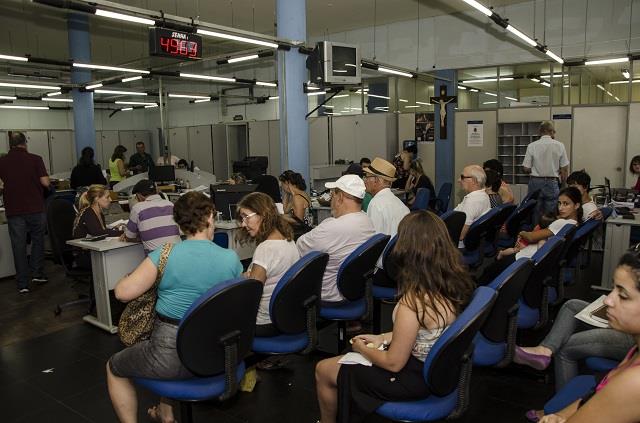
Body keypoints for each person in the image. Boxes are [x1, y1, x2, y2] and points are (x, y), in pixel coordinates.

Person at [314, 210, 475, 423]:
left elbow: (393, 363)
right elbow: (426, 331)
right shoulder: (451, 283)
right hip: (435, 372)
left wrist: (361, 348)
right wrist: (383, 338)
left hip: (411, 378)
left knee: (323, 370)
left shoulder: (414, 300)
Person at [106, 191, 243, 423]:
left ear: (180, 224)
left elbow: (122, 293)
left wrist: (127, 277)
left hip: (170, 356)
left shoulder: (164, 255)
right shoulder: (230, 258)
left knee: (114, 366)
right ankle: (165, 413)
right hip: (217, 353)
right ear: (210, 217)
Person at [525, 251, 640, 423]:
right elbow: (597, 394)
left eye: (623, 295)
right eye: (613, 289)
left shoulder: (634, 383)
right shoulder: (635, 350)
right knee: (572, 306)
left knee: (567, 347)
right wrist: (562, 415)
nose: (608, 300)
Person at [477, 187, 582, 285]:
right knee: (492, 271)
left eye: (566, 204)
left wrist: (521, 233)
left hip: (524, 258)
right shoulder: (574, 223)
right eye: (559, 203)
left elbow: (531, 237)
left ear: (576, 205)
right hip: (530, 257)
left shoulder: (561, 223)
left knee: (488, 273)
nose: (561, 208)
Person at [297, 175, 375, 303]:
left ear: (340, 197)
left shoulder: (331, 227)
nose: (331, 200)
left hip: (329, 293)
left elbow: (300, 246)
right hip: (355, 289)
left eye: (332, 195)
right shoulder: (367, 220)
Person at [236, 192, 299, 334]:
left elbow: (252, 293)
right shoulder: (288, 240)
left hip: (263, 322)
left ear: (263, 214)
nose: (243, 224)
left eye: (246, 216)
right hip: (283, 316)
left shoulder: (265, 249)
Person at [0, 131, 50, 293]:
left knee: (18, 245)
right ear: (25, 143)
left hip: (14, 210)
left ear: (10, 145)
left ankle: (22, 283)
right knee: (38, 241)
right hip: (35, 207)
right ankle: (38, 273)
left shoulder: (2, 162)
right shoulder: (35, 159)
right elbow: (45, 182)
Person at [522, 121, 570, 216]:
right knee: (551, 213)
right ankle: (549, 229)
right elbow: (564, 169)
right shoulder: (560, 145)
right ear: (551, 131)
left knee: (535, 211)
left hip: (535, 183)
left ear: (540, 132)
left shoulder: (532, 146)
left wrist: (536, 169)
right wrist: (564, 185)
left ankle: (535, 230)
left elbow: (526, 168)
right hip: (552, 183)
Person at [121, 180, 181, 254]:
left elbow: (129, 237)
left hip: (157, 258)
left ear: (139, 195)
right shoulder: (170, 204)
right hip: (178, 253)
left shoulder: (138, 208)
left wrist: (140, 236)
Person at [363, 157, 409, 236]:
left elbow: (375, 241)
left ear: (376, 180)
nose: (365, 180)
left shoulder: (376, 204)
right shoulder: (400, 204)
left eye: (367, 177)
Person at [454, 165, 491, 244]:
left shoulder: (472, 201)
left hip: (457, 245)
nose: (459, 180)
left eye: (462, 177)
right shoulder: (483, 195)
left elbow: (460, 236)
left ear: (473, 180)